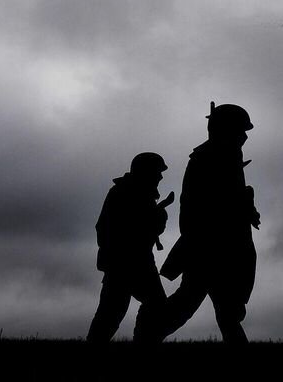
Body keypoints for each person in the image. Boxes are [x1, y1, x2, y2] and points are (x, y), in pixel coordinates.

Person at [157, 102, 260, 343]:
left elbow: (233, 197)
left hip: (220, 246)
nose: (245, 137)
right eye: (240, 130)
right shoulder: (210, 158)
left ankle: (148, 335)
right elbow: (207, 205)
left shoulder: (227, 156)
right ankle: (147, 335)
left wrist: (248, 208)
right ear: (225, 130)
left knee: (221, 308)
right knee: (201, 304)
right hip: (210, 247)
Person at [87, 152, 173, 343]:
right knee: (117, 312)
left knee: (115, 312)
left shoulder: (134, 192)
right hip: (129, 263)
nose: (160, 177)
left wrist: (158, 213)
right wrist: (159, 215)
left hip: (131, 262)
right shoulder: (128, 193)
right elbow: (112, 228)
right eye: (157, 172)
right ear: (146, 172)